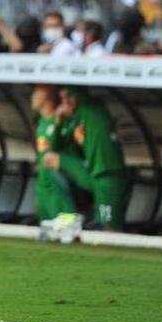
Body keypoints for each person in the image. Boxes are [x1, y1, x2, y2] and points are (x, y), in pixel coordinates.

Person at [42, 86, 127, 230]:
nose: (65, 103)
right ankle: (70, 214)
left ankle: (79, 219)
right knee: (50, 158)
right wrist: (58, 121)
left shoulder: (91, 109)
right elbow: (55, 147)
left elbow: (83, 97)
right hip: (91, 170)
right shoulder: (75, 120)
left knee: (108, 224)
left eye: (68, 97)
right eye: (62, 99)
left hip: (107, 172)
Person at [30, 85, 76, 222]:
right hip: (42, 184)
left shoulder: (61, 122)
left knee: (67, 225)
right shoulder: (42, 122)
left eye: (36, 94)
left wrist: (58, 122)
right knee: (46, 230)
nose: (32, 97)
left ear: (47, 98)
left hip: (57, 182)